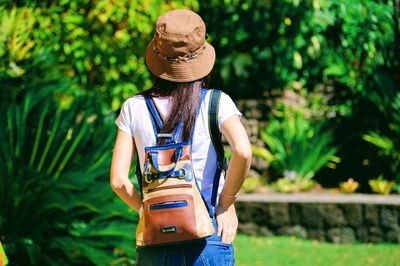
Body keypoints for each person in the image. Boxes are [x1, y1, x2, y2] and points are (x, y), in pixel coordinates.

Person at [110, 9, 251, 265]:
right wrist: (226, 204)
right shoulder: (216, 102)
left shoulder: (133, 107)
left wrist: (147, 212)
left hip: (156, 241)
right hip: (208, 236)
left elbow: (119, 181)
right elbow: (243, 151)